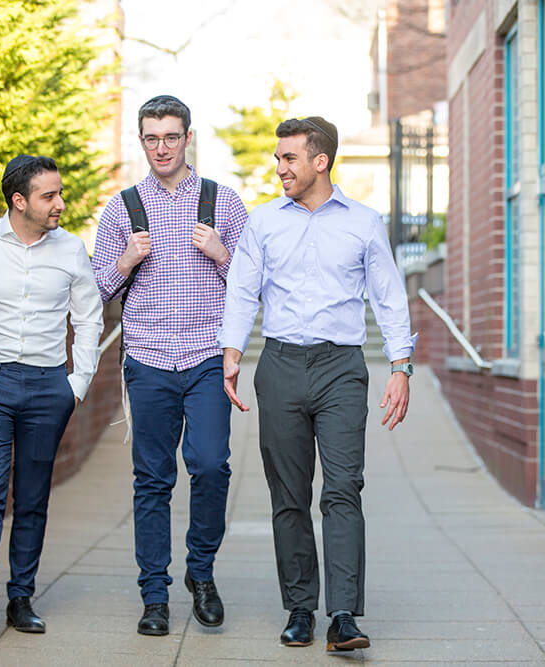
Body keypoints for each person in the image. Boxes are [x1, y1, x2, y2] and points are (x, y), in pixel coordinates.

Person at [218, 117, 417, 652]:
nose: (279, 167)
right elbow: (241, 290)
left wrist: (400, 367)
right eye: (278, 158)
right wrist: (232, 353)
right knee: (288, 495)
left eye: (289, 158)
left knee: (343, 489)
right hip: (280, 366)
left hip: (341, 370)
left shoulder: (364, 222)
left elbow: (389, 296)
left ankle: (345, 615)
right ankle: (300, 609)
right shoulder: (262, 223)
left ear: (320, 161)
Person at [92, 95, 248, 636]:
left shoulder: (223, 205)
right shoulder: (122, 209)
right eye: (152, 138)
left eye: (171, 136)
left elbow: (255, 292)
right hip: (149, 362)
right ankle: (153, 595)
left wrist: (222, 255)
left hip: (207, 358)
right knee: (152, 480)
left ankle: (200, 573)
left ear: (188, 139)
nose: (162, 147)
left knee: (210, 465)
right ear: (142, 142)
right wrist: (125, 260)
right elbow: (97, 291)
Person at [0, 155, 104, 637]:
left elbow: (89, 317)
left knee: (32, 497)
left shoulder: (71, 249)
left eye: (60, 193)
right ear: (19, 200)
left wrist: (78, 382)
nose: (60, 204)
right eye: (49, 196)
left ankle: (21, 598)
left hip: (49, 387)